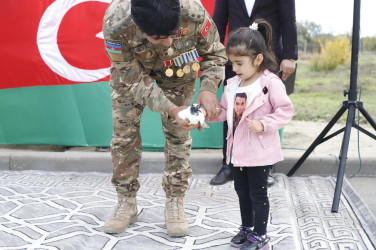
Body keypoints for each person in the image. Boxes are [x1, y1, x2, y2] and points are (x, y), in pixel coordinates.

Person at [102, 0, 227, 237]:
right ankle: (126, 202)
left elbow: (214, 53)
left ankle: (175, 201)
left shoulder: (193, 11)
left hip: (178, 74)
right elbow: (133, 79)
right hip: (131, 79)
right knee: (123, 137)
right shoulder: (116, 22)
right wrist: (172, 109)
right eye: (159, 37)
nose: (168, 42)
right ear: (138, 25)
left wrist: (209, 87)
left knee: (179, 137)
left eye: (172, 34)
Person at [207, 19, 294, 249]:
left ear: (258, 60)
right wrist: (207, 114)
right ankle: (246, 228)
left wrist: (264, 124)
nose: (234, 68)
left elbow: (285, 111)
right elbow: (225, 111)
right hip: (237, 151)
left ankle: (261, 233)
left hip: (259, 153)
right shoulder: (232, 83)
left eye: (239, 63)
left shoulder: (270, 83)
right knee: (241, 192)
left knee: (258, 193)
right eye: (231, 63)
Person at [210, 0, 298, 186]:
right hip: (236, 57)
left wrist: (290, 55)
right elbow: (218, 20)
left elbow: (288, 20)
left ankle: (264, 167)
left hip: (266, 55)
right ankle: (229, 165)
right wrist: (213, 56)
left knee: (263, 111)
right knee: (234, 111)